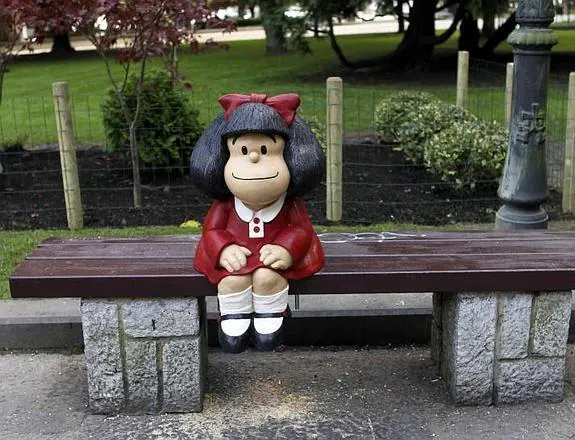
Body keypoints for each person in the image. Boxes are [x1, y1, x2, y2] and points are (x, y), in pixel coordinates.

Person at [190, 93, 325, 353]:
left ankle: (271, 319)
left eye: (265, 151)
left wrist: (286, 248)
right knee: (232, 282)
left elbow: (301, 230)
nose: (253, 159)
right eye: (242, 150)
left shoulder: (289, 205)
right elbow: (213, 230)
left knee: (267, 278)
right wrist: (224, 248)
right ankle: (233, 319)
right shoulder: (226, 205)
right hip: (237, 259)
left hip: (273, 262)